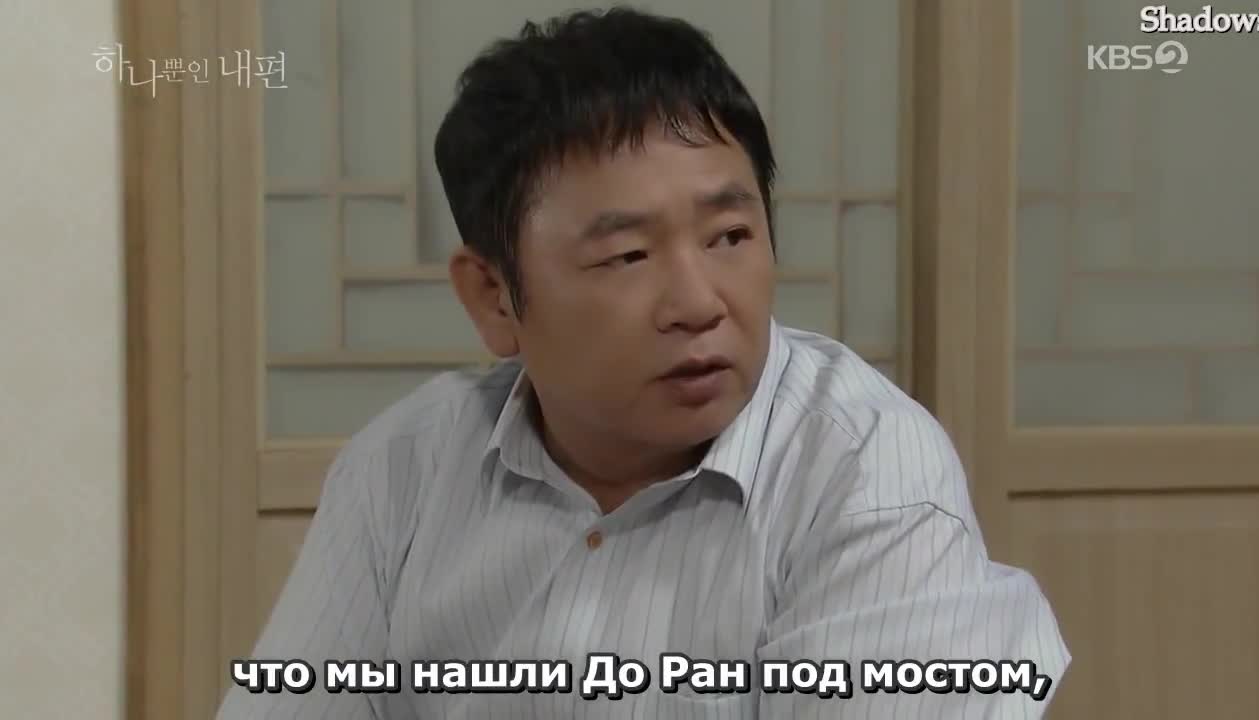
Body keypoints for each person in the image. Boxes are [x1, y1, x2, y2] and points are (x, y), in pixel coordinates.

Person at [216, 7, 1070, 718]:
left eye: (730, 236)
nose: (698, 303)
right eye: (627, 256)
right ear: (494, 296)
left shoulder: (862, 468)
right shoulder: (403, 469)